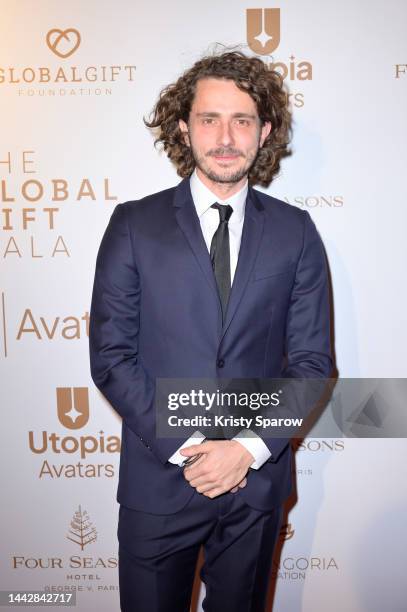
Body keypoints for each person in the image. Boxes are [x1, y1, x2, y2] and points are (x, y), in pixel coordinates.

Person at [89, 50, 332, 612]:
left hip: (255, 487)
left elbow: (312, 364)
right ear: (184, 127)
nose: (225, 137)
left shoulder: (295, 233)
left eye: (242, 120)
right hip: (160, 481)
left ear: (264, 130)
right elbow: (112, 356)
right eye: (209, 119)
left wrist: (245, 451)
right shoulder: (134, 226)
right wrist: (194, 449)